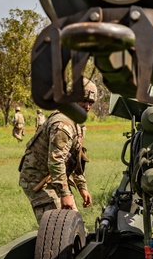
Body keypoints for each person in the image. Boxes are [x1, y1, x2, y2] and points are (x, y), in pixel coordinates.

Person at [18, 83, 96, 223]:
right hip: (37, 179)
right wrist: (65, 194)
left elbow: (75, 159)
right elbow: (56, 160)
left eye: (90, 102)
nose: (87, 106)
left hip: (54, 177)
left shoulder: (76, 123)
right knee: (58, 226)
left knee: (74, 223)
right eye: (83, 100)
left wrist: (82, 187)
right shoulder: (63, 124)